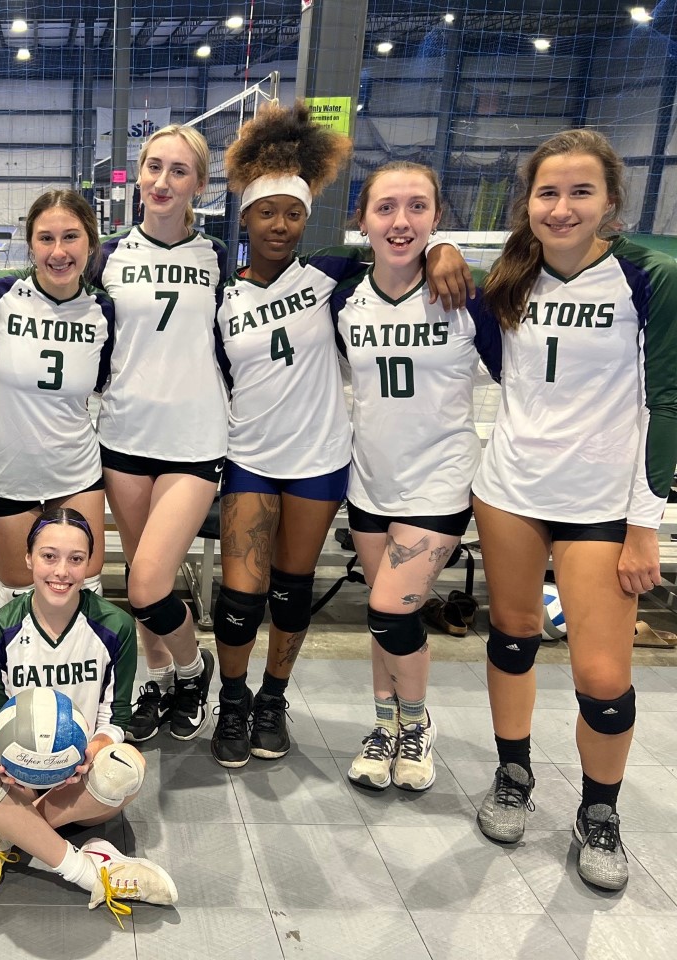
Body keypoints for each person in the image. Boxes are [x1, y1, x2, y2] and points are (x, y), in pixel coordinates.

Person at [210, 103, 473, 766]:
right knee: (241, 596)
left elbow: (402, 260)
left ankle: (274, 699)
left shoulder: (332, 281)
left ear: (307, 220)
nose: (278, 225)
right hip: (250, 458)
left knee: (293, 590)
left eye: (291, 214)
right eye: (265, 213)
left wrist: (444, 247)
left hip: (320, 462)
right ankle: (233, 701)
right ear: (244, 219)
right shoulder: (222, 297)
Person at [468, 129, 677, 891]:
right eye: (548, 193)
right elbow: (501, 368)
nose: (562, 207)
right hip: (512, 492)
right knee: (515, 633)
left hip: (600, 505)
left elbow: (667, 400)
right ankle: (513, 775)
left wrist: (643, 520)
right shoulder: (506, 283)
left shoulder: (647, 277)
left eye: (580, 192)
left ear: (611, 203)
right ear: (528, 204)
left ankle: (600, 811)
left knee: (602, 675)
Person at [330, 161, 500, 792]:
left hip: (440, 479)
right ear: (363, 218)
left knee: (386, 607)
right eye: (385, 208)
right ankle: (385, 726)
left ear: (436, 216)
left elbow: (520, 375)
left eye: (417, 208)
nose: (401, 222)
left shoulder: (465, 294)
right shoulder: (345, 295)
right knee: (384, 621)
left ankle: (417, 723)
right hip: (370, 481)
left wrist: (450, 253)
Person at [0, 507, 176, 920]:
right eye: (49, 556)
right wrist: (0, 755)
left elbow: (117, 718)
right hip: (23, 776)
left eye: (75, 559)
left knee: (128, 766)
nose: (61, 571)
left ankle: (2, 839)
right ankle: (94, 873)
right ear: (28, 558)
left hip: (84, 778)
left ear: (89, 563)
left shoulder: (115, 625)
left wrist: (91, 750)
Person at [93, 124, 227, 744]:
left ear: (199, 183)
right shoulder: (108, 257)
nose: (163, 181)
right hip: (125, 437)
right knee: (148, 580)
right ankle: (158, 678)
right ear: (137, 175)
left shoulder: (221, 256)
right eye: (153, 167)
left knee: (147, 582)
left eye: (179, 170)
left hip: (195, 442)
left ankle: (195, 669)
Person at [0, 190, 113, 604]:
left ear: (90, 243)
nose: (58, 251)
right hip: (9, 473)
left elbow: (105, 380)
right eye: (45, 238)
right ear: (30, 244)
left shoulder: (102, 309)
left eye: (71, 237)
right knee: (19, 593)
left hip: (75, 470)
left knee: (80, 588)